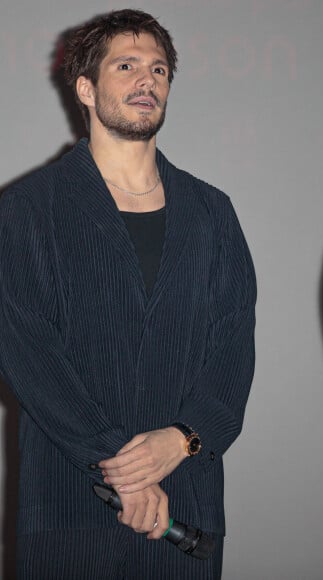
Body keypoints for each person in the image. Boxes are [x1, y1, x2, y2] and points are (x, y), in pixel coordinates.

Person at [0, 9, 256, 579]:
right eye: (127, 66)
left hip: (185, 508)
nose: (148, 80)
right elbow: (29, 353)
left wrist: (185, 439)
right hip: (70, 505)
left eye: (160, 69)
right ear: (86, 89)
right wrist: (120, 465)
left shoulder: (212, 212)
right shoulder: (28, 209)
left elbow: (233, 350)